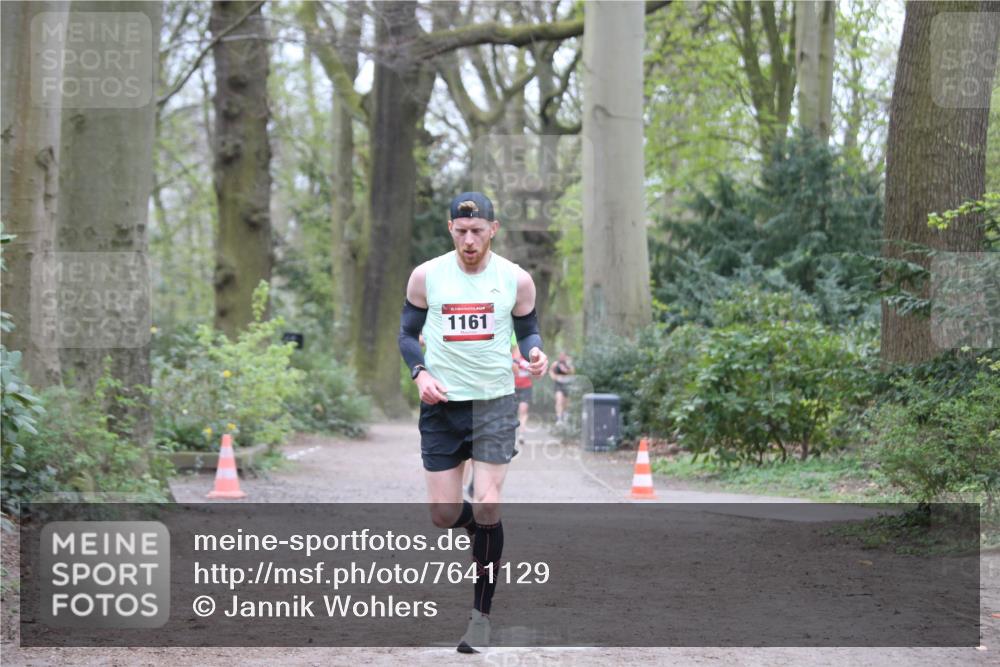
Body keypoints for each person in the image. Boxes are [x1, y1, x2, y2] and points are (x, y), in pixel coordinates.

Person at [398, 191, 548, 653]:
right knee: (444, 514)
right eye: (461, 231)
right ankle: (474, 524)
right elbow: (407, 334)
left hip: (494, 404)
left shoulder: (516, 280)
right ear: (450, 229)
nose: (468, 240)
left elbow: (527, 329)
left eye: (477, 231)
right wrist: (419, 373)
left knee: (487, 503)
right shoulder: (426, 276)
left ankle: (480, 617)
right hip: (442, 405)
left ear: (493, 230)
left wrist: (535, 353)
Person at [512, 346, 533, 446]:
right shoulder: (511, 358)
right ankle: (511, 435)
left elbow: (533, 374)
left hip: (526, 387)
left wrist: (530, 369)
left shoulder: (527, 359)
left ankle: (521, 434)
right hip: (513, 388)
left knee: (523, 410)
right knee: (512, 412)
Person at [549, 351, 575, 423]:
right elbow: (550, 371)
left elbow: (572, 372)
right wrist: (554, 377)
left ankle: (565, 414)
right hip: (558, 384)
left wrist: (568, 365)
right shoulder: (555, 364)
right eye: (560, 355)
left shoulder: (568, 364)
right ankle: (559, 418)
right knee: (559, 400)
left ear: (565, 356)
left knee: (566, 402)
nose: (562, 357)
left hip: (566, 384)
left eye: (563, 355)